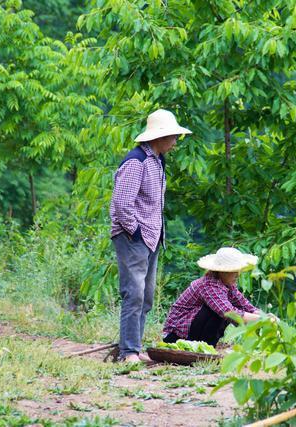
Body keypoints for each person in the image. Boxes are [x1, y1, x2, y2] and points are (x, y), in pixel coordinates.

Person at [110, 109, 192, 363]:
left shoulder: (157, 160)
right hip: (134, 236)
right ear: (159, 136)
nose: (175, 141)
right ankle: (128, 352)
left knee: (146, 295)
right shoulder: (137, 162)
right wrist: (135, 231)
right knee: (133, 293)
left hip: (151, 235)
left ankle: (133, 347)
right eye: (172, 136)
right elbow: (122, 204)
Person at [163, 247, 275, 347]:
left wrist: (266, 316)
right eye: (233, 271)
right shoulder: (209, 285)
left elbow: (245, 306)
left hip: (191, 331)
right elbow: (229, 312)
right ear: (221, 272)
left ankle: (208, 344)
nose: (238, 274)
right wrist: (264, 319)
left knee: (228, 308)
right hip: (175, 337)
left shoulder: (227, 284)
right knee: (221, 311)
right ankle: (205, 345)